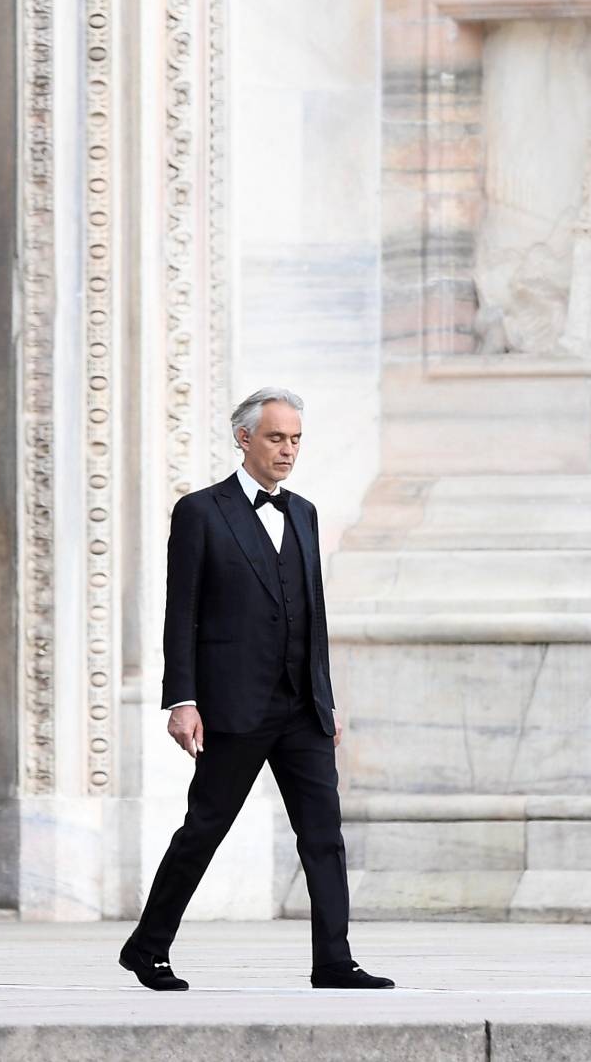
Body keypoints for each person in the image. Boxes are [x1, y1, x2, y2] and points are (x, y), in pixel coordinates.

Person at [121, 388, 392, 992]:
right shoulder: (200, 512)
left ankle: (334, 961)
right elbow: (180, 613)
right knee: (204, 830)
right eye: (276, 437)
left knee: (323, 836)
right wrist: (181, 701)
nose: (288, 450)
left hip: (301, 708)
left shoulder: (304, 513)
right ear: (244, 438)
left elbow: (313, 614)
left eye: (296, 439)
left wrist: (325, 698)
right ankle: (147, 947)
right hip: (233, 707)